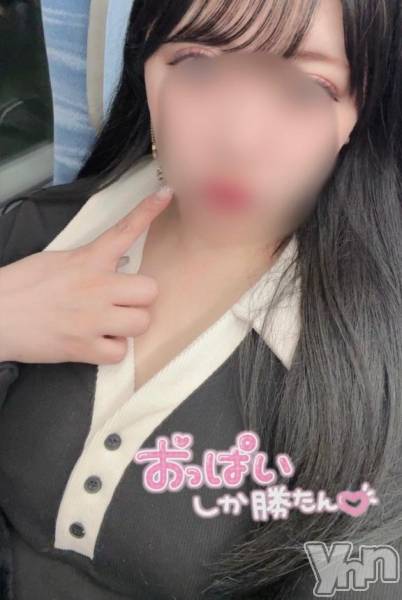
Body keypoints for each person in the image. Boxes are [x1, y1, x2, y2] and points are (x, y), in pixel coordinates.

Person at [0, 0, 401, 598]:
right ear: (144, 70)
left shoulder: (380, 362)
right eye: (198, 65)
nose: (237, 141)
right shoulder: (38, 234)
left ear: (357, 110)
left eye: (303, 89)